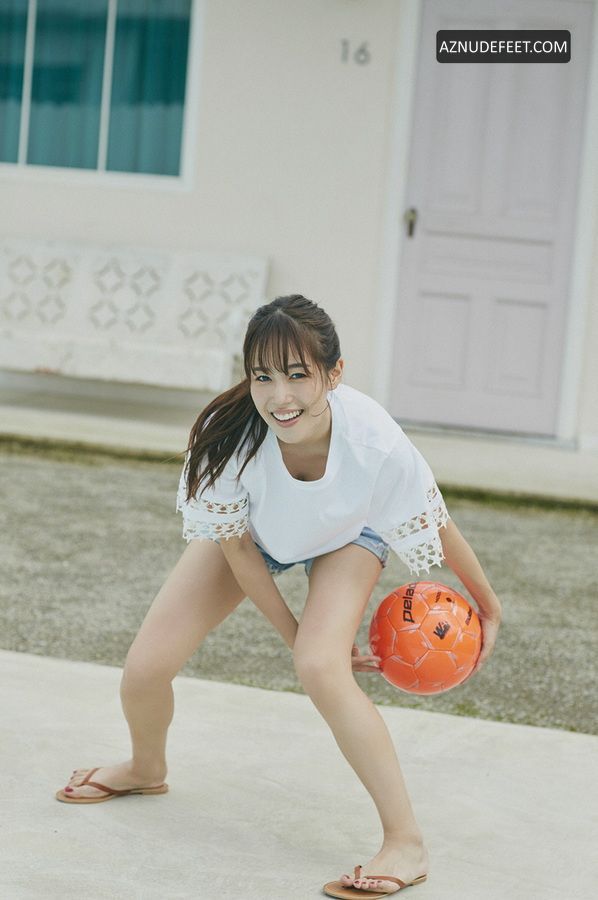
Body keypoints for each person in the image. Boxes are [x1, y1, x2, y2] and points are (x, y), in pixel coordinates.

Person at [56, 295, 502, 897]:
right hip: (258, 534)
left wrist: (489, 606)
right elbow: (240, 551)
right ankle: (145, 766)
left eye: (297, 375)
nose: (279, 396)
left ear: (334, 373)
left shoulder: (374, 440)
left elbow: (436, 521)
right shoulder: (228, 438)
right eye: (263, 376)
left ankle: (406, 842)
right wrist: (295, 633)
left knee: (320, 668)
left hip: (349, 535)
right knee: (144, 668)